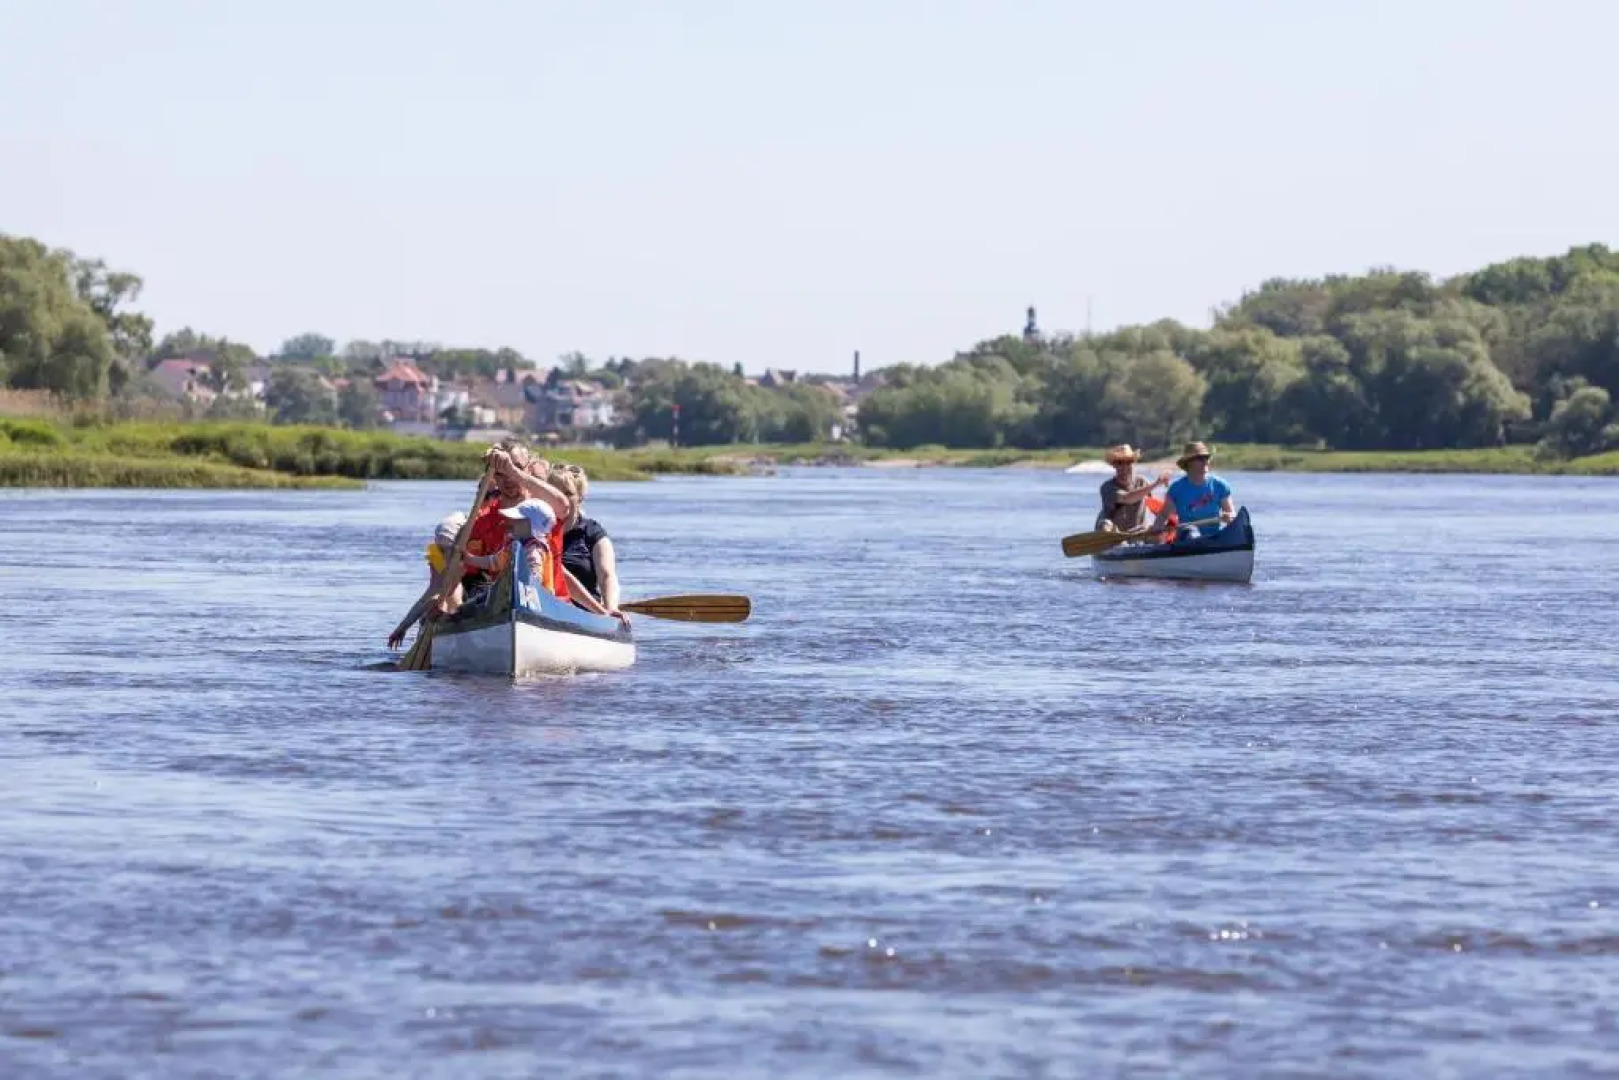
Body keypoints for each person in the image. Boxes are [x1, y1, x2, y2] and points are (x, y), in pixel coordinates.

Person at [555, 464, 627, 623]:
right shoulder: (539, 530)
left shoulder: (592, 533)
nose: (562, 500)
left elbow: (607, 575)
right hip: (550, 610)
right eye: (557, 493)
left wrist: (610, 607)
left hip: (587, 615)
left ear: (579, 497)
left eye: (568, 494)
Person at [386, 511, 466, 649]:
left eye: (447, 552)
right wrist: (402, 628)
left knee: (450, 591)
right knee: (448, 591)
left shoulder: (447, 548)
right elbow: (435, 591)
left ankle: (449, 614)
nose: (446, 556)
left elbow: (442, 589)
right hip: (449, 537)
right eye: (443, 551)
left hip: (450, 538)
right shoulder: (438, 549)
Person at [1150, 441, 1235, 541]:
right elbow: (1163, 515)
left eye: (1206, 458)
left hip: (1213, 539)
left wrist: (1229, 516)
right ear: (1188, 463)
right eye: (1200, 458)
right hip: (1186, 539)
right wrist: (1156, 531)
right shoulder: (1176, 489)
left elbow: (1232, 514)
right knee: (1192, 532)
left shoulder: (1220, 485)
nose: (1205, 462)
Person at [1094, 444, 1170, 534]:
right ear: (1114, 465)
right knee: (1106, 524)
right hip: (1112, 533)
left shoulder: (1143, 482)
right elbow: (1127, 498)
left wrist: (1166, 521)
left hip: (1136, 532)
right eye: (1120, 462)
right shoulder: (1107, 487)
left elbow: (1154, 507)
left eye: (1128, 462)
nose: (1124, 466)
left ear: (1133, 463)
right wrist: (1156, 484)